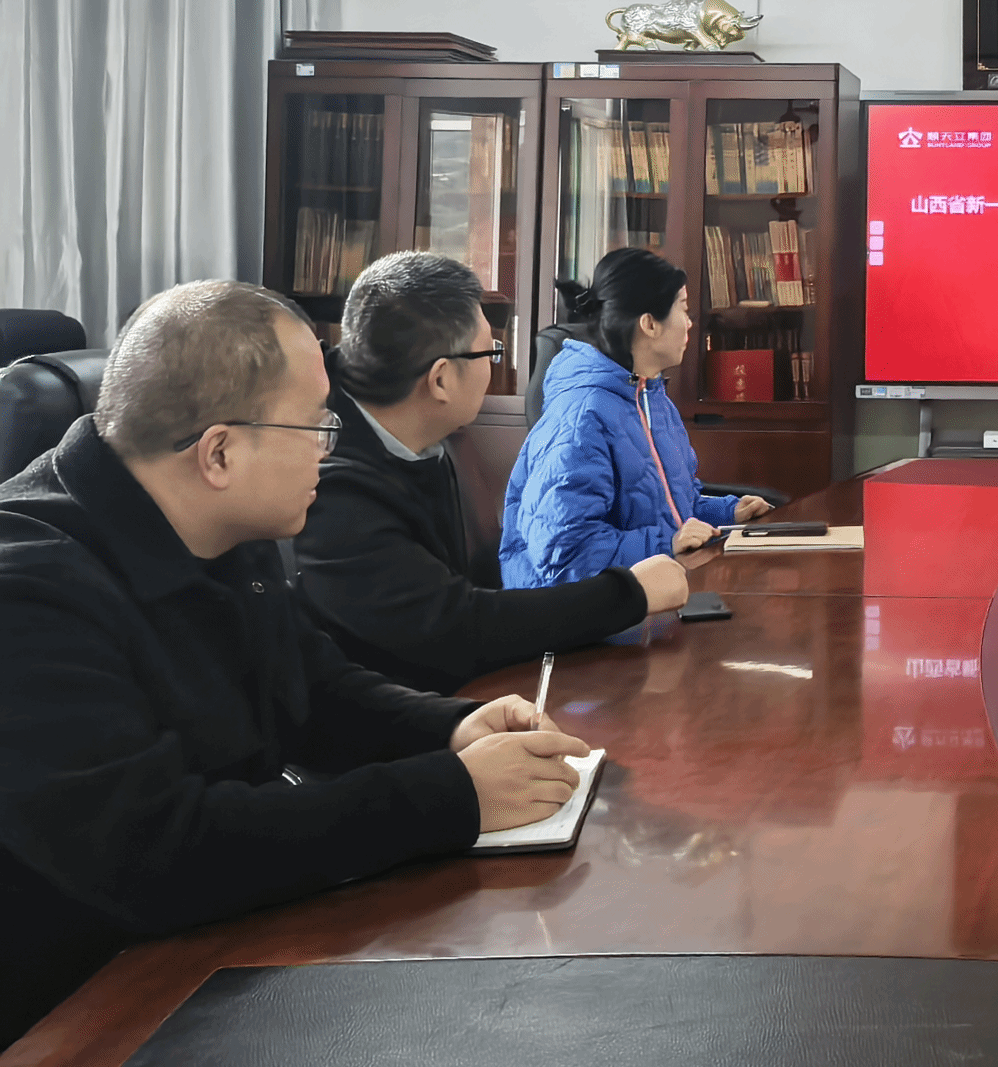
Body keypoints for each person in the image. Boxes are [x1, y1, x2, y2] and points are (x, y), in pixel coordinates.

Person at [0, 281, 590, 1047]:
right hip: (77, 1010)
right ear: (219, 452)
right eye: (314, 423)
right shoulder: (28, 592)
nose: (328, 445)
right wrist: (454, 794)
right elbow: (156, 853)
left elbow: (311, 685)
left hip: (213, 952)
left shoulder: (216, 522)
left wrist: (450, 728)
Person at [294, 252, 698, 693]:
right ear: (441, 380)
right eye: (491, 352)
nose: (495, 366)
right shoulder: (329, 487)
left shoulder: (427, 442)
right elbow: (456, 628)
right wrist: (630, 594)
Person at [500, 247, 771, 589]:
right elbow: (565, 552)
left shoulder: (651, 399)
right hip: (574, 609)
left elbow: (673, 508)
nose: (690, 323)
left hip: (644, 589)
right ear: (649, 324)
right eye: (683, 309)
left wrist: (728, 512)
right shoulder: (582, 414)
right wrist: (666, 543)